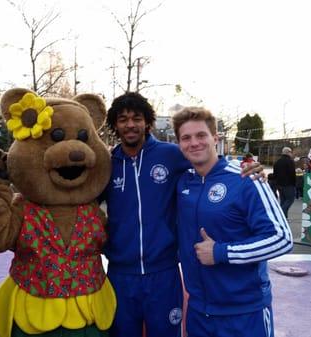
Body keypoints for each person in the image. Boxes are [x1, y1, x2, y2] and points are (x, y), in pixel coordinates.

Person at [100, 93, 262, 337]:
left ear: (147, 122)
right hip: (120, 275)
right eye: (123, 119)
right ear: (115, 125)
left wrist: (245, 168)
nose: (130, 124)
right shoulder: (107, 163)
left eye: (136, 118)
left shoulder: (170, 154)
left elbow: (209, 162)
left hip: (163, 274)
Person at [172, 107, 293, 337]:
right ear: (179, 144)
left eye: (201, 135)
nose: (194, 143)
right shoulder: (183, 183)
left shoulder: (247, 178)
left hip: (245, 314)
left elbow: (282, 239)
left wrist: (221, 253)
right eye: (186, 138)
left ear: (215, 139)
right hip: (199, 313)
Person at [273, 147, 296, 218]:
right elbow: (292, 173)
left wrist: (276, 183)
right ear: (288, 152)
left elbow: (275, 174)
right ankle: (280, 214)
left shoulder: (277, 162)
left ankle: (284, 218)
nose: (291, 154)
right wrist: (294, 184)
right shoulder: (290, 161)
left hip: (279, 184)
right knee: (290, 200)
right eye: (291, 152)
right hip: (288, 184)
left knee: (283, 201)